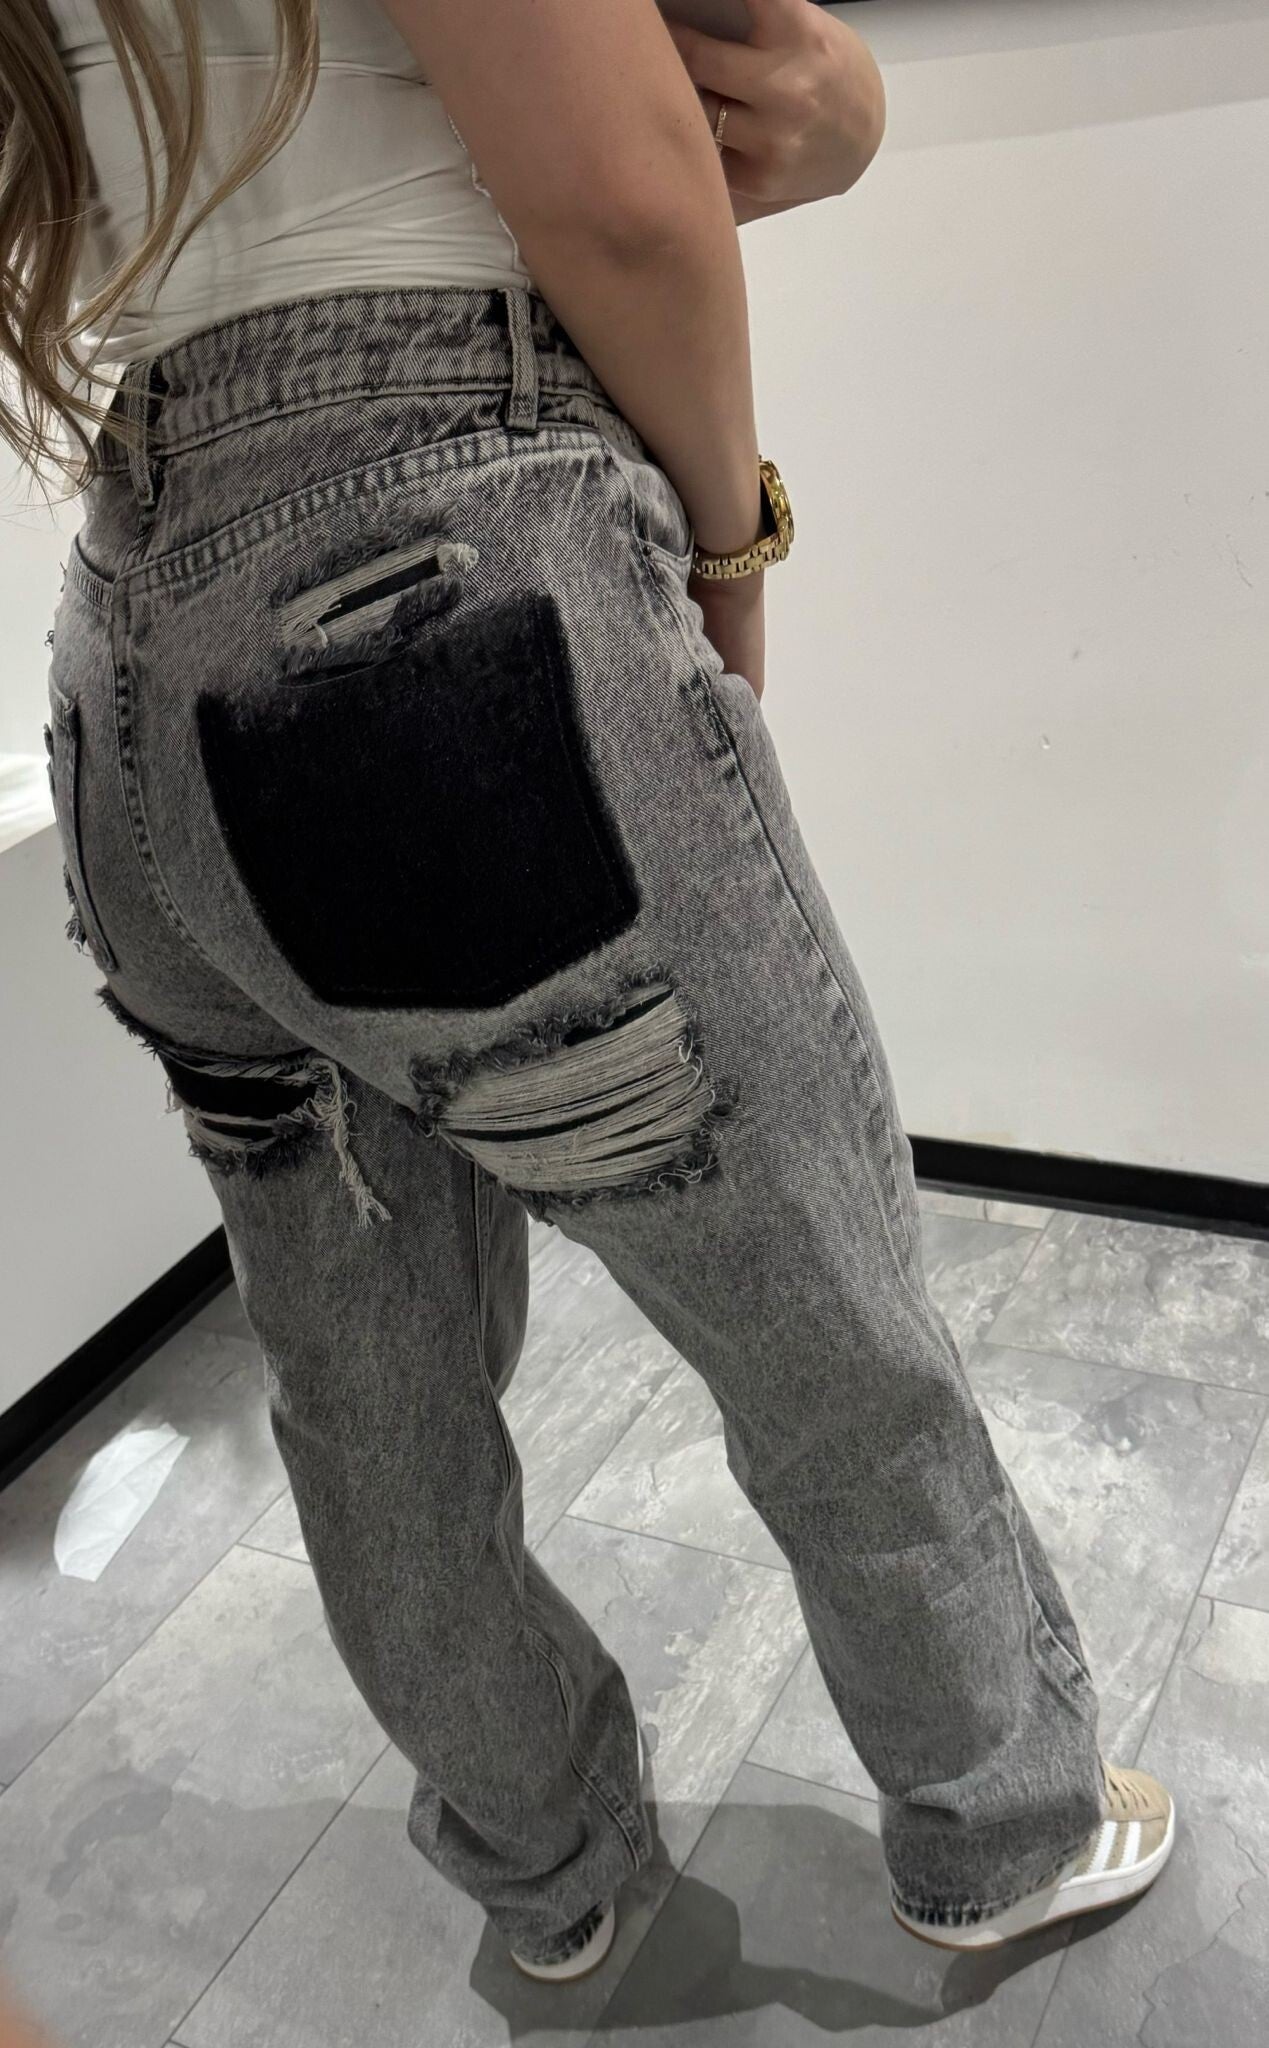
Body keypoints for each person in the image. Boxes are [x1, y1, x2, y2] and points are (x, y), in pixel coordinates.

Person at [1, 0, 1173, 1987]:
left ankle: (545, 1872)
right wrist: (732, 543)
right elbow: (621, 194)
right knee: (810, 1299)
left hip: (124, 653)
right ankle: (1003, 1819)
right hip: (422, 553)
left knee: (366, 1391)